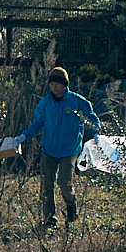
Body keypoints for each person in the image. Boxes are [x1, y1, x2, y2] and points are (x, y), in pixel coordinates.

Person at [17, 67, 101, 228]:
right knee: (46, 184)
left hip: (69, 150)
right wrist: (23, 136)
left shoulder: (77, 101)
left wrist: (96, 133)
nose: (54, 87)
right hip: (48, 150)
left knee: (64, 182)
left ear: (65, 85)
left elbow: (92, 118)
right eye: (52, 84)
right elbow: (37, 125)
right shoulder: (45, 103)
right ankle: (49, 218)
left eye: (57, 84)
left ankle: (71, 206)